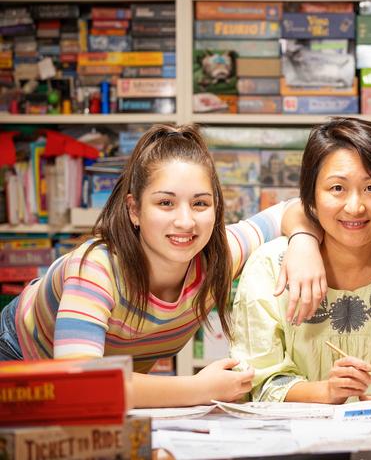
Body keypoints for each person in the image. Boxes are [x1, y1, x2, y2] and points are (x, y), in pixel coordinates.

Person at [0, 124, 327, 408]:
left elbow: (293, 208)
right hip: (15, 360)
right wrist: (199, 388)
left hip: (99, 393)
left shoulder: (217, 256)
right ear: (134, 210)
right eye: (165, 203)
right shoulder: (97, 268)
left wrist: (304, 242)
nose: (185, 221)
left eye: (200, 203)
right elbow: (80, 383)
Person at [230, 117, 371, 403]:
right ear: (311, 196)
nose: (355, 207)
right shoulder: (269, 268)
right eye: (337, 189)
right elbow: (255, 384)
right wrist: (327, 392)